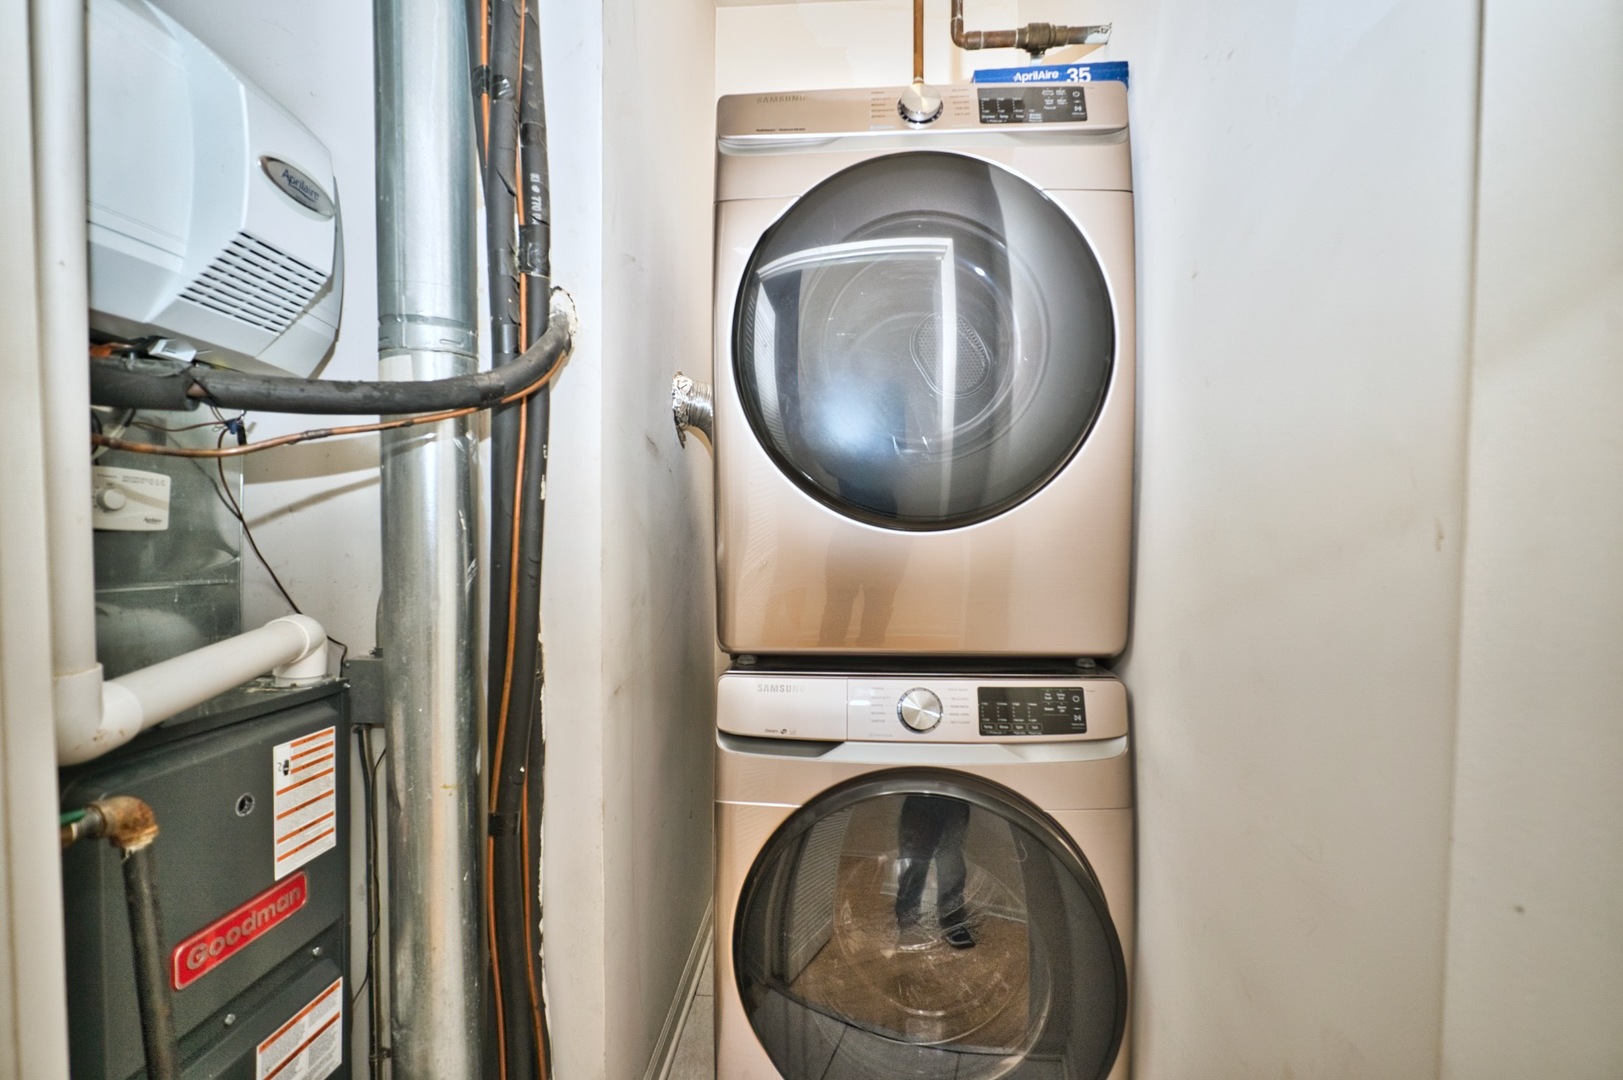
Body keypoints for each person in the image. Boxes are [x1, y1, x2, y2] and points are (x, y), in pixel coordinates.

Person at [894, 794, 975, 949]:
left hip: (955, 792)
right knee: (916, 857)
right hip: (921, 790)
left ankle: (952, 919)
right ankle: (907, 917)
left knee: (950, 859)